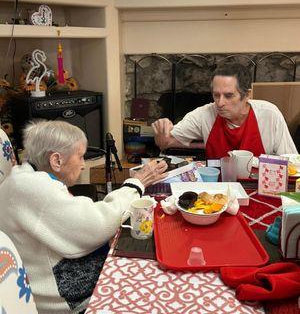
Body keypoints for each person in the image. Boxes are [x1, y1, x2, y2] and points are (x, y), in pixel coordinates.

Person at [0, 120, 167, 314]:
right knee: (147, 278)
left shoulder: (24, 176)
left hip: (58, 273)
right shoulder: (32, 187)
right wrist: (136, 184)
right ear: (56, 160)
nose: (82, 165)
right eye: (80, 157)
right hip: (64, 298)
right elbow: (98, 225)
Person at [152, 63, 298, 159]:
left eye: (228, 96)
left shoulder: (269, 115)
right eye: (216, 95)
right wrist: (161, 129)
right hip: (218, 191)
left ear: (247, 95)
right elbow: (164, 143)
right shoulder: (204, 114)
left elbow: (292, 163)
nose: (220, 103)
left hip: (258, 186)